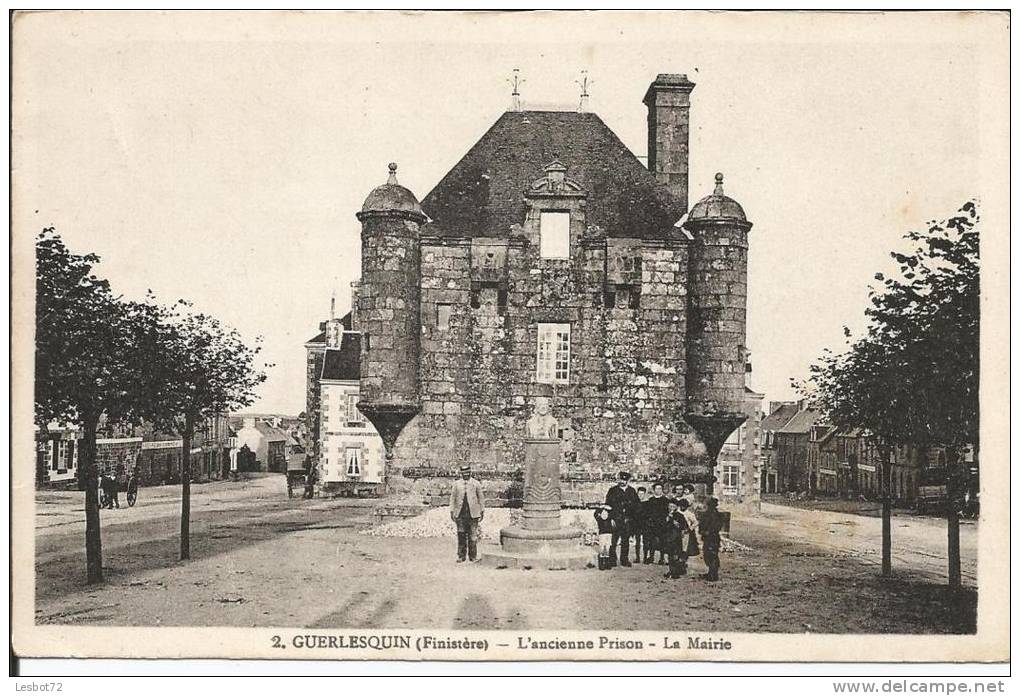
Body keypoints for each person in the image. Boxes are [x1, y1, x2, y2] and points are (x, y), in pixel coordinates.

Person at [449, 464, 485, 563]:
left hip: (473, 514)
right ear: (461, 473)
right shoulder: (456, 484)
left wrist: (482, 510)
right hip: (460, 513)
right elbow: (452, 498)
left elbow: (481, 498)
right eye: (463, 473)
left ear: (470, 472)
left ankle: (473, 556)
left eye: (467, 472)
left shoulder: (476, 483)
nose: (465, 474)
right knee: (461, 535)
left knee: (473, 536)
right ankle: (461, 556)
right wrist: (452, 511)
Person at [604, 471, 640, 567]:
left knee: (625, 541)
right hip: (616, 519)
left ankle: (624, 559)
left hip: (627, 520)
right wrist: (611, 519)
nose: (622, 482)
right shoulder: (612, 491)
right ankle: (612, 559)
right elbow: (608, 505)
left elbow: (637, 505)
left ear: (628, 480)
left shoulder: (632, 491)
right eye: (620, 479)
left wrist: (632, 518)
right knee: (613, 541)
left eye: (624, 480)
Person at [643, 482, 670, 564]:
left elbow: (667, 512)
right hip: (652, 524)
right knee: (651, 541)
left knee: (662, 541)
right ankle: (651, 557)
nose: (658, 490)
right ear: (654, 490)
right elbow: (647, 512)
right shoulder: (651, 500)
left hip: (661, 524)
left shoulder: (665, 500)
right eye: (657, 489)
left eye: (660, 489)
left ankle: (661, 558)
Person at [661, 499, 689, 578]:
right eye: (670, 506)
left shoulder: (680, 516)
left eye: (673, 506)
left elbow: (685, 527)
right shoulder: (665, 515)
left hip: (676, 538)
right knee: (670, 555)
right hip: (668, 538)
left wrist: (678, 525)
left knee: (676, 555)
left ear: (676, 507)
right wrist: (666, 520)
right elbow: (661, 526)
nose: (671, 508)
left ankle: (676, 572)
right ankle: (671, 571)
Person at [700, 497, 724, 581]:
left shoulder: (712, 514)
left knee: (711, 555)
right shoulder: (712, 514)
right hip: (711, 537)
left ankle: (713, 575)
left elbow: (715, 526)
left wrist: (707, 532)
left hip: (711, 537)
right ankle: (711, 573)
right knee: (710, 555)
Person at [593, 504, 615, 570]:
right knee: (602, 548)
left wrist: (608, 508)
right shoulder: (599, 519)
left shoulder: (609, 518)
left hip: (609, 533)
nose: (604, 515)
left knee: (607, 548)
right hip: (602, 534)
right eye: (603, 513)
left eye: (606, 513)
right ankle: (602, 563)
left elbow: (612, 513)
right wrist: (601, 507)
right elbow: (595, 513)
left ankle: (606, 562)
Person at [632, 486, 648, 563]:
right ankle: (637, 557)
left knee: (645, 541)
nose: (640, 495)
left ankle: (645, 557)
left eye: (642, 494)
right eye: (639, 494)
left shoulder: (647, 503)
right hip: (636, 524)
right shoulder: (634, 503)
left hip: (645, 524)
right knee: (637, 541)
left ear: (645, 494)